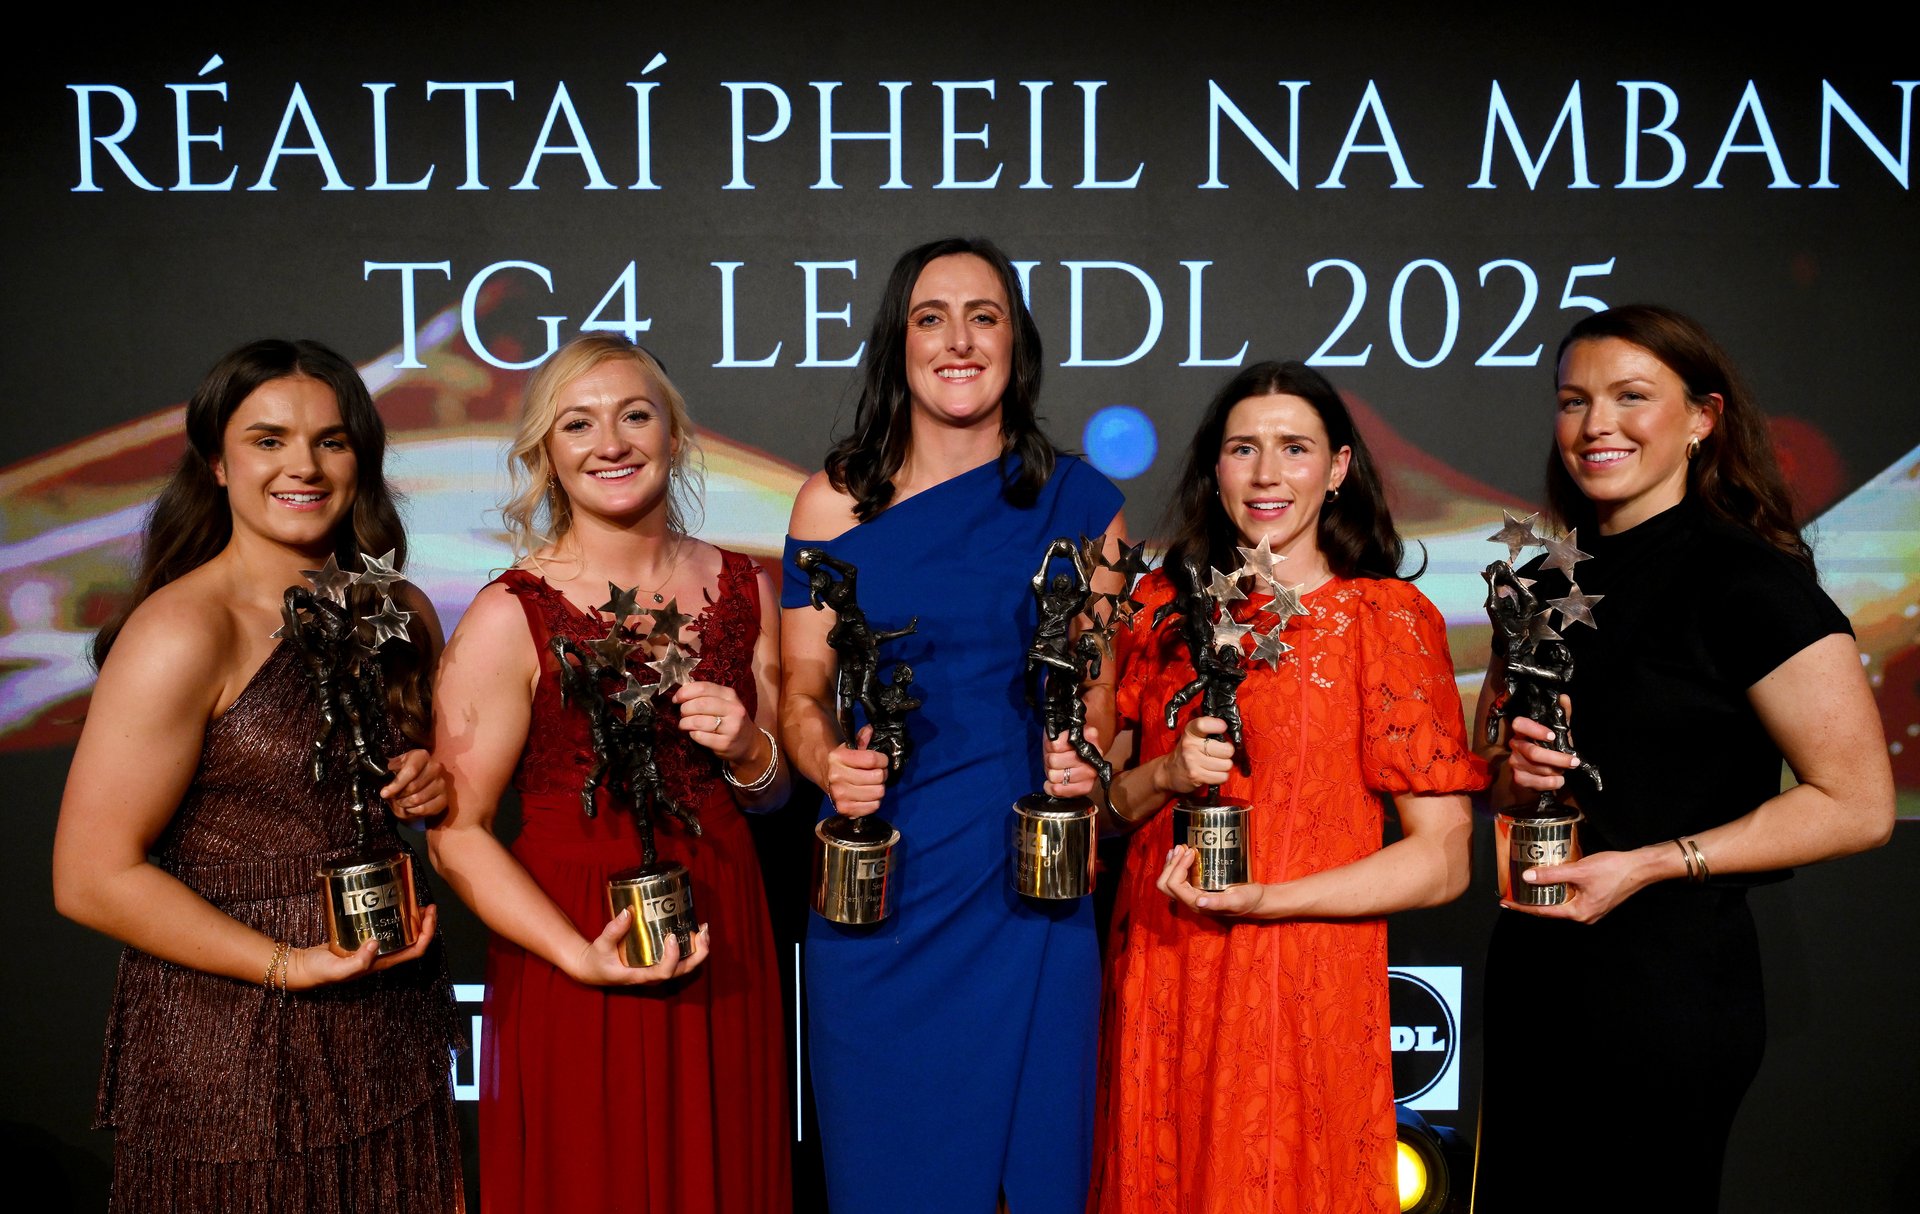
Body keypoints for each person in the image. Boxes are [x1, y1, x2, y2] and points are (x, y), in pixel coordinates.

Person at [1472, 306, 1894, 1212]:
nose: (1597, 426)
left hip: (1665, 988)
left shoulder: (1749, 581)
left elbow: (1857, 803)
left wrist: (1656, 865)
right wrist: (1517, 774)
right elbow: (1497, 779)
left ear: (1703, 417)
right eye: (1574, 400)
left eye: (1632, 397)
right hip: (1536, 972)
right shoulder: (1541, 581)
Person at [51, 338, 462, 1212]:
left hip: (389, 1026)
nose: (303, 466)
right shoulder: (181, 631)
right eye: (268, 440)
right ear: (218, 463)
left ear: (363, 459)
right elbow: (91, 877)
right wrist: (288, 964)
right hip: (229, 1049)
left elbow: (374, 791)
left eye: (332, 440)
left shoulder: (402, 614)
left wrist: (430, 781)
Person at [780, 236, 1125, 1214]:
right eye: (933, 316)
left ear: (1019, 342)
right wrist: (825, 761)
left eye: (986, 316)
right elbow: (799, 688)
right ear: (900, 342)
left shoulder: (1082, 505)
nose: (960, 339)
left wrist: (1086, 765)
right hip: (882, 892)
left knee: (1038, 1178)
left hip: (1030, 888)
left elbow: (1099, 705)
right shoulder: (834, 499)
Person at [1088, 360, 1483, 1214]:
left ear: (1337, 468)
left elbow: (1444, 862)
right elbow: (1097, 810)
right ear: (1215, 467)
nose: (1267, 474)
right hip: (1164, 972)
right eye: (1244, 449)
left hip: (1305, 983)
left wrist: (1268, 899)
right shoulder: (1159, 608)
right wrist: (1158, 774)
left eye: (1294, 449)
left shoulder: (1384, 618)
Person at [428, 335, 790, 1214]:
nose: (611, 442)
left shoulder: (746, 585)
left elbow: (773, 791)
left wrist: (748, 749)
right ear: (547, 455)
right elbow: (456, 835)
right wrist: (576, 958)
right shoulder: (510, 614)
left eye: (635, 415)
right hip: (573, 940)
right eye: (578, 423)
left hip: (725, 925)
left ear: (674, 435)